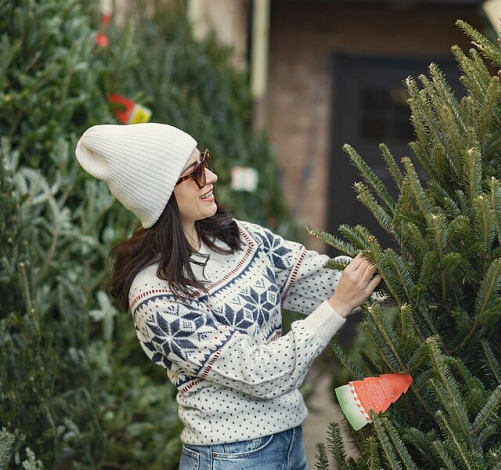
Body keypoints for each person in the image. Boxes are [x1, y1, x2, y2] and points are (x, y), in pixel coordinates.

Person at [75, 123, 381, 470]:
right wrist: (338, 306)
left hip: (289, 443)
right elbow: (258, 374)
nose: (213, 176)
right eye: (196, 172)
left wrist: (406, 278)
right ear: (160, 194)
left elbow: (320, 278)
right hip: (229, 456)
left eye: (204, 161)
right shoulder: (154, 296)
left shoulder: (239, 238)